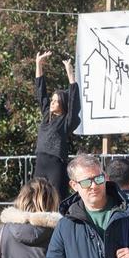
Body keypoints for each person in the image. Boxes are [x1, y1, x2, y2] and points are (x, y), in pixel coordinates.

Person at [33, 52, 80, 199]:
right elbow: (41, 92)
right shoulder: (47, 114)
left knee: (57, 198)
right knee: (37, 197)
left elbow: (74, 103)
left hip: (56, 165)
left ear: (63, 104)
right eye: (52, 100)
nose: (52, 102)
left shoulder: (67, 121)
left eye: (56, 100)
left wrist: (70, 75)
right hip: (40, 162)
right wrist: (38, 64)